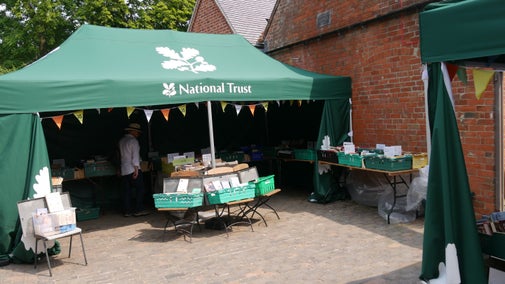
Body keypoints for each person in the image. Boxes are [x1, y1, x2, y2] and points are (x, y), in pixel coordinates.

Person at [119, 123, 149, 217]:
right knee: (140, 189)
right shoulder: (133, 141)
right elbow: (135, 156)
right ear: (132, 131)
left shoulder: (122, 140)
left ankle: (127, 211)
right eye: (137, 132)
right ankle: (139, 209)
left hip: (124, 169)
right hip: (133, 169)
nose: (138, 134)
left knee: (126, 191)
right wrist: (136, 169)